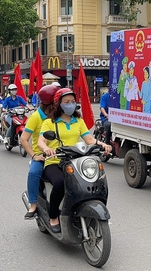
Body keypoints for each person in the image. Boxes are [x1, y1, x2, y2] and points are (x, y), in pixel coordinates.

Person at [37, 88, 112, 232]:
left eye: (72, 101)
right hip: (55, 161)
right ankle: (53, 217)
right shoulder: (49, 122)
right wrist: (46, 149)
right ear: (58, 104)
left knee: (94, 180)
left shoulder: (78, 121)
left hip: (75, 161)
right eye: (66, 102)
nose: (70, 104)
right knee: (60, 183)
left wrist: (103, 145)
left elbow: (89, 139)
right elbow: (41, 141)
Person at [20, 84, 60, 220]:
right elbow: (24, 139)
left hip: (59, 154)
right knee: (34, 172)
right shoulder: (36, 117)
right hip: (41, 155)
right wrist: (34, 155)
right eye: (56, 103)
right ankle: (33, 205)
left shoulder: (59, 116)